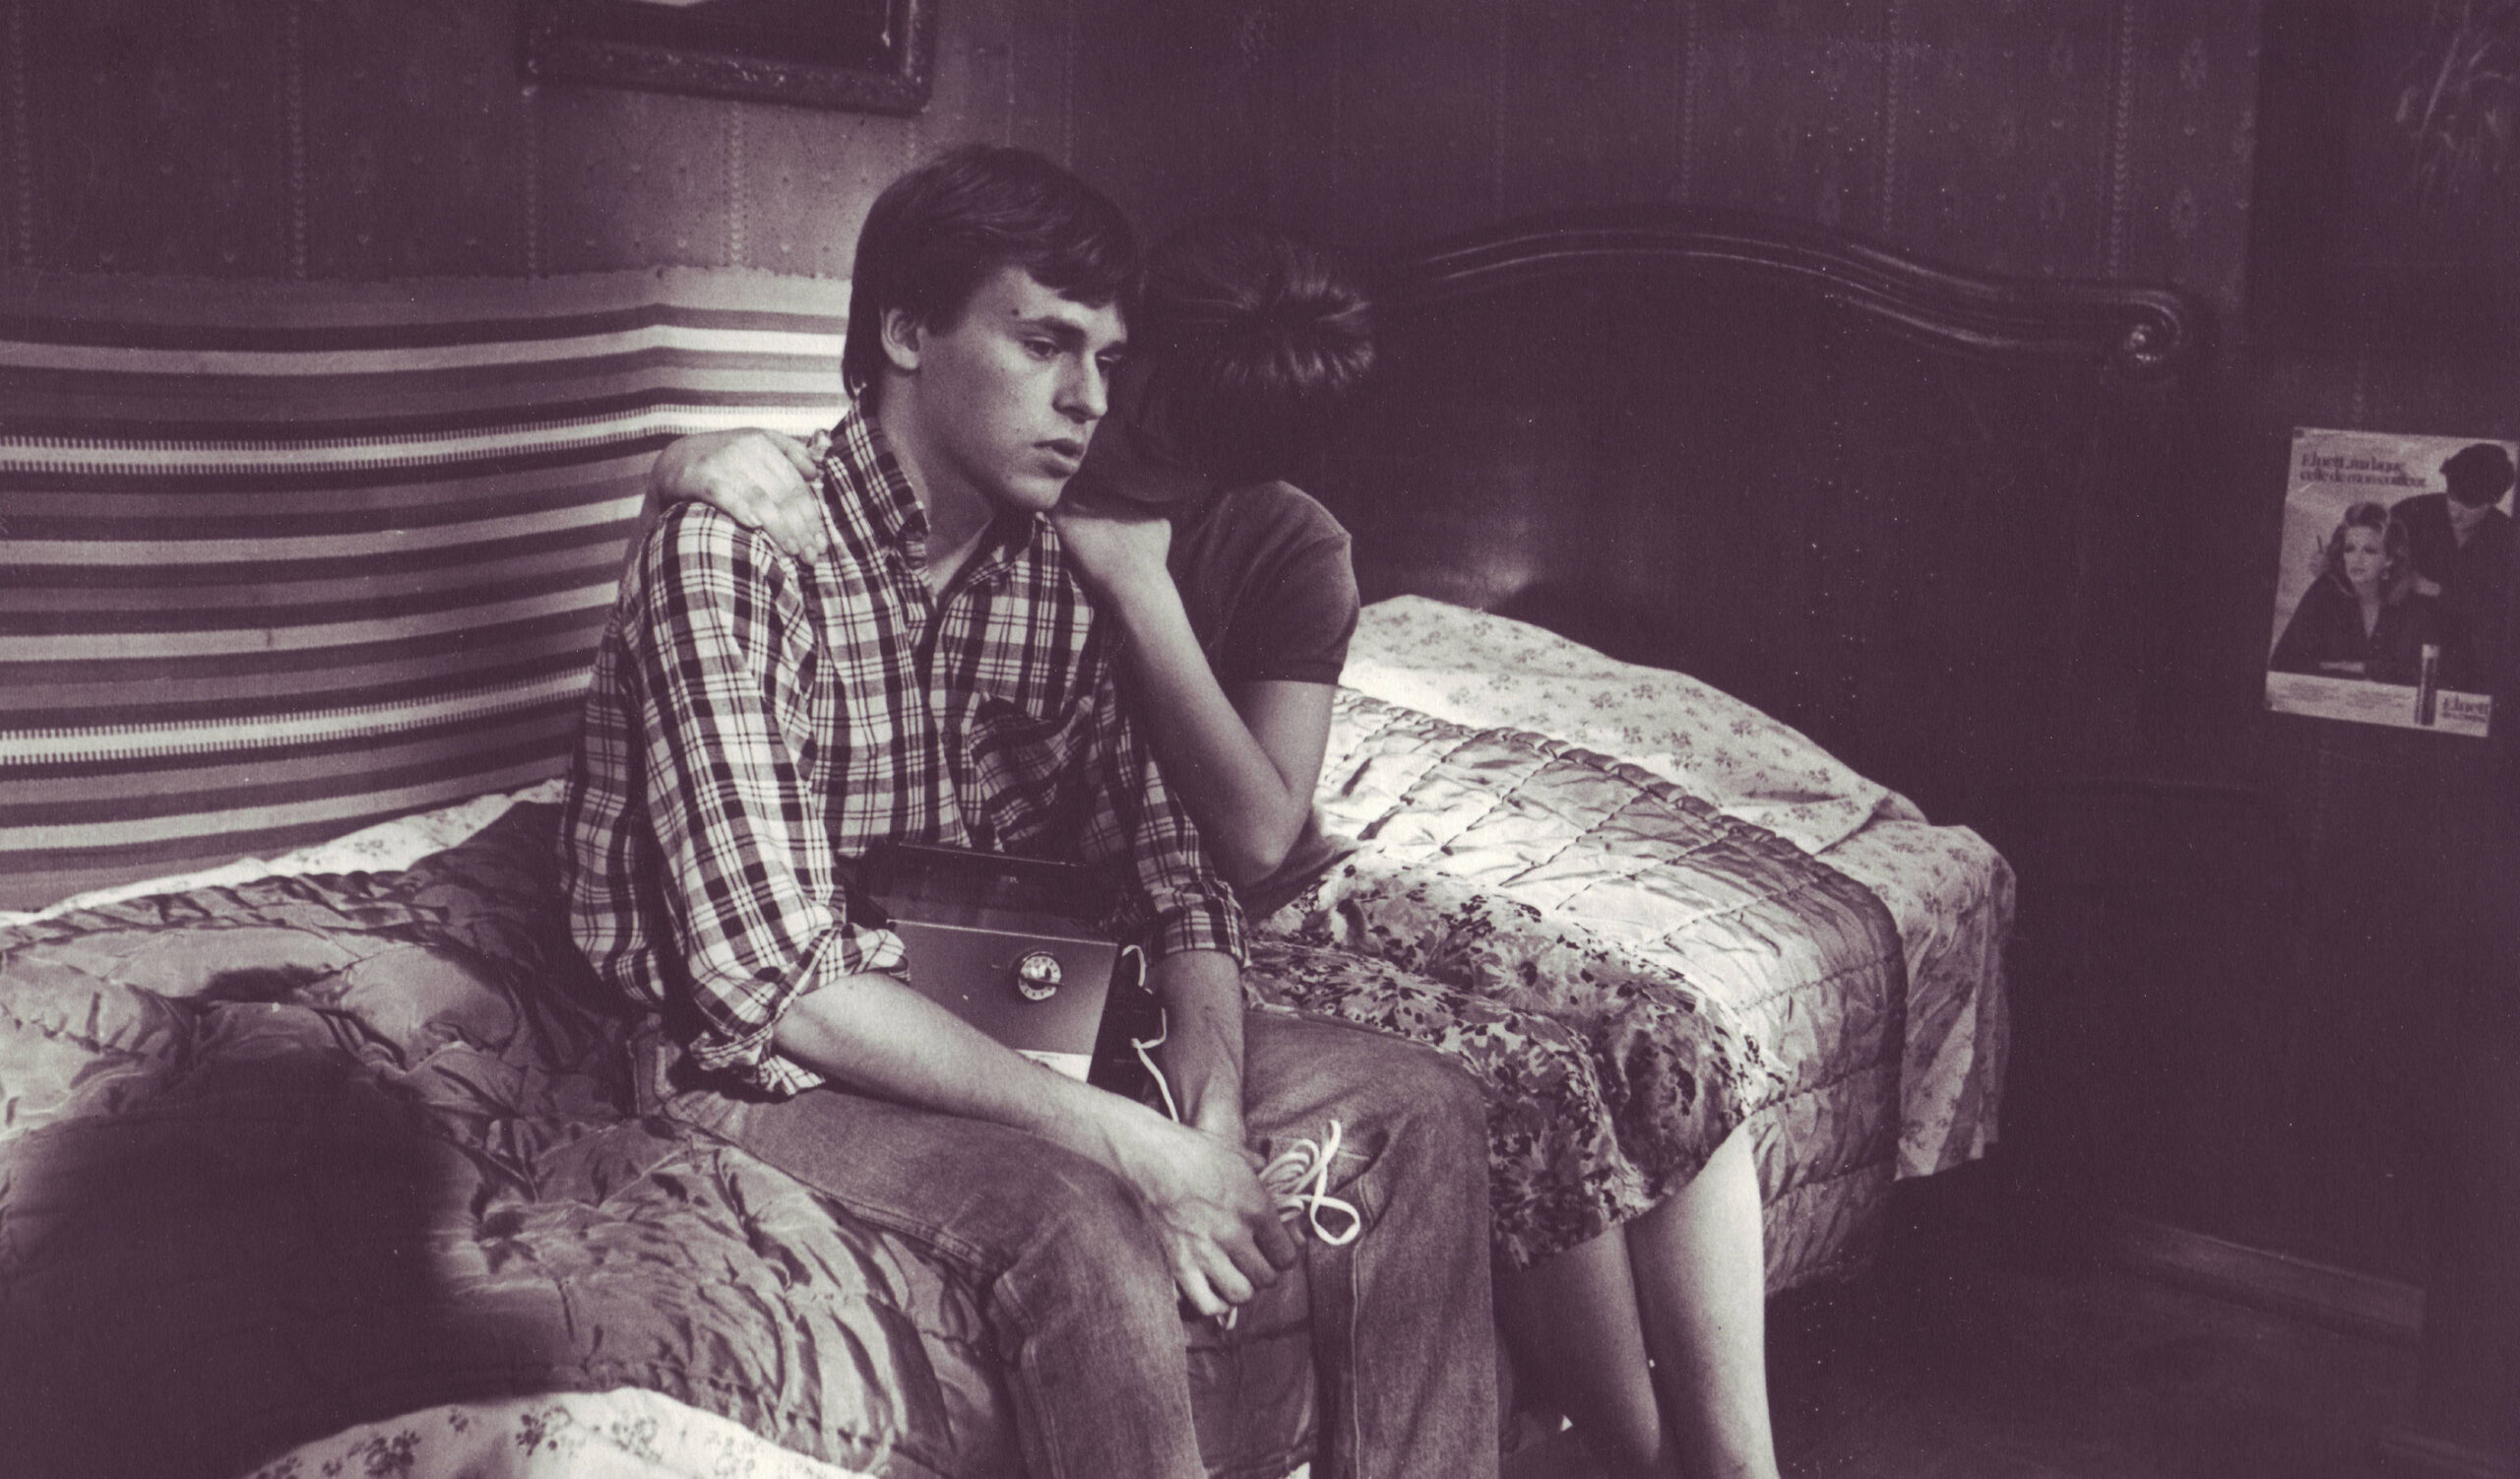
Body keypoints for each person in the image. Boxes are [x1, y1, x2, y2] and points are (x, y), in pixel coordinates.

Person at [654, 218, 1782, 1479]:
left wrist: (1142, 589)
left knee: (1620, 1041)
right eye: (1090, 375)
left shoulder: (1259, 542)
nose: (1094, 419)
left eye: (1143, 414)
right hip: (1037, 934)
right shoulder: (969, 483)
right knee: (1515, 1081)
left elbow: (1228, 853)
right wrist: (685, 461)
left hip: (1209, 896)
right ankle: (1637, 1453)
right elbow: (845, 467)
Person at [558, 146, 1498, 1479]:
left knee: (1423, 1107)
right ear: (905, 332)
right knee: (1077, 1209)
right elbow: (775, 984)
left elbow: (1181, 880)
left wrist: (1209, 1120)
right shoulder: (738, 545)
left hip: (992, 1000)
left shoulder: (1063, 561)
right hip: (760, 1059)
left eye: (1106, 359)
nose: (1088, 400)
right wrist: (1140, 1151)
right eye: (1044, 344)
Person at [2270, 500, 2468, 688]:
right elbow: (2283, 664)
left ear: (2389, 558)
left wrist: (2362, 668)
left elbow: (2434, 675)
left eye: (2369, 551)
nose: (2357, 559)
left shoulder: (2412, 603)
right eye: (2350, 549)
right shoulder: (2324, 593)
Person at [2391, 441, 2515, 688]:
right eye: (2452, 499)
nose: (2455, 513)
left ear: (2494, 500)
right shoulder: (2409, 513)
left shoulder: (2509, 538)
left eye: (2469, 506)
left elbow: (2504, 614)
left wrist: (2436, 590)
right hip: (2400, 657)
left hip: (2470, 670)